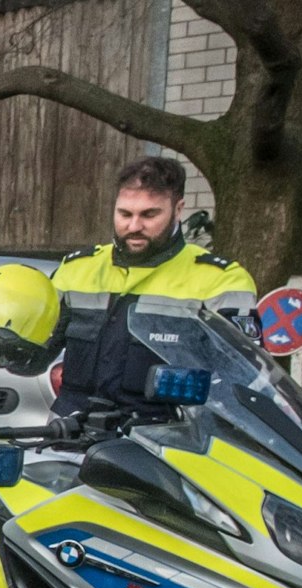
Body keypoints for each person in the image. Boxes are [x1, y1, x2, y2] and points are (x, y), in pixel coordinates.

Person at [48, 156, 257, 418]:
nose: (134, 226)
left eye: (149, 214)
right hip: (69, 435)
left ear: (178, 209)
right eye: (125, 214)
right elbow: (33, 353)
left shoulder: (222, 280)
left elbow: (244, 376)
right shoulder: (77, 268)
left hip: (163, 440)